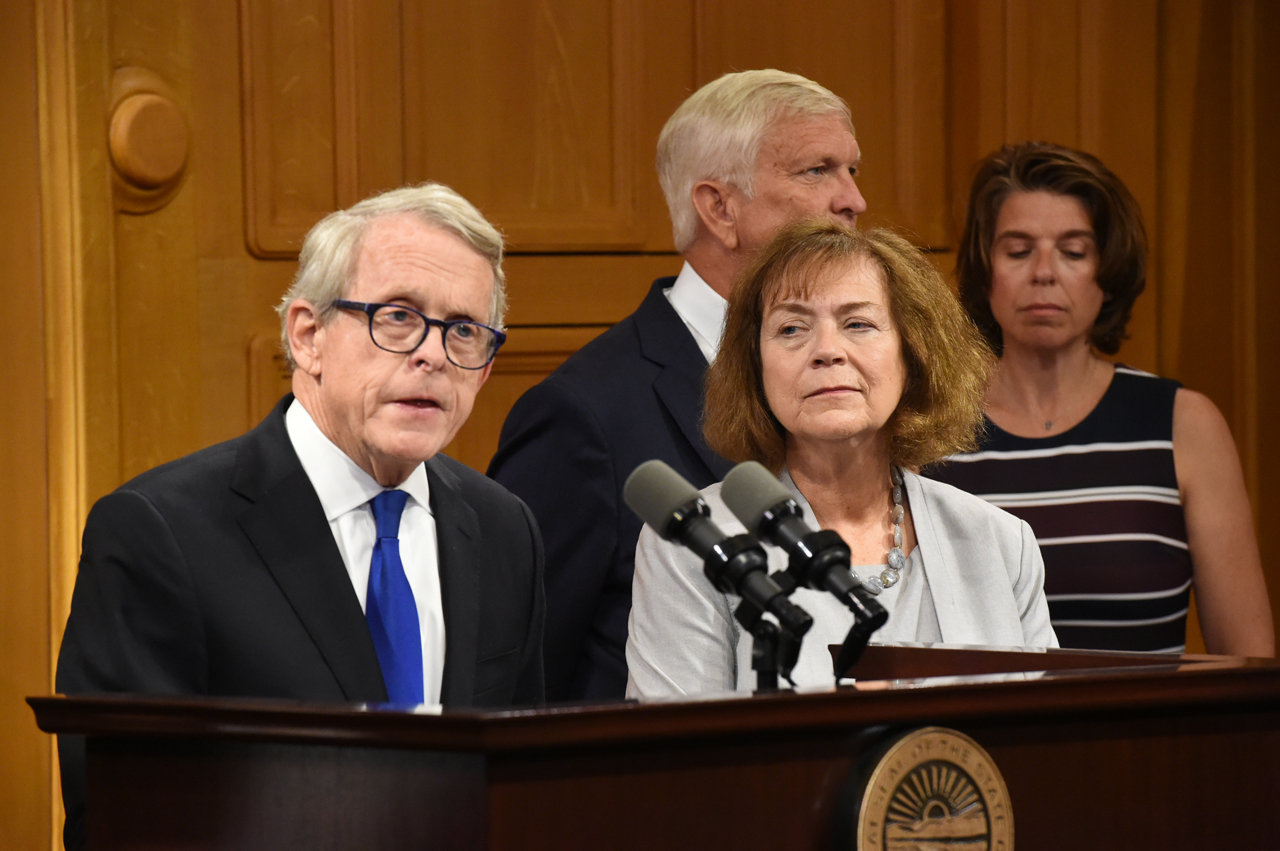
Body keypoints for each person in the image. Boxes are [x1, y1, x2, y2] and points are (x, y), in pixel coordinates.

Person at [55, 183, 546, 849]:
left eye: (464, 330)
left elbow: (526, 788)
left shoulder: (503, 527)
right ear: (308, 336)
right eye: (398, 316)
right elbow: (123, 821)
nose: (433, 353)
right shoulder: (157, 533)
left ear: (484, 370)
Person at [488, 69, 867, 701]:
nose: (852, 199)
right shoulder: (583, 414)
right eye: (817, 171)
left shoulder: (865, 379)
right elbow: (519, 671)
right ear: (719, 208)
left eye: (855, 171)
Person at [626, 220, 1057, 698]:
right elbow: (680, 762)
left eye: (858, 324)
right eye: (792, 328)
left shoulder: (1000, 542)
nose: (827, 351)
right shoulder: (696, 546)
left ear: (912, 355)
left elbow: (1039, 746)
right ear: (756, 365)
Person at [927, 142, 1274, 656]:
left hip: (1148, 736)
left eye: (1073, 251)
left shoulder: (1183, 424)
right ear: (985, 272)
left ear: (1106, 273)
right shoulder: (933, 429)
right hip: (981, 737)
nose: (1043, 273)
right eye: (1018, 250)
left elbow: (1248, 662)